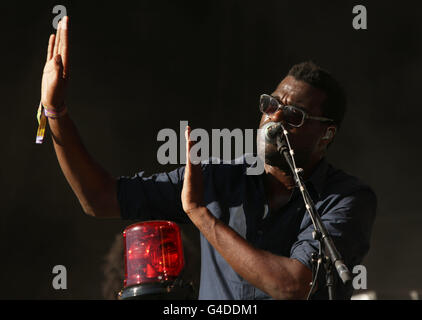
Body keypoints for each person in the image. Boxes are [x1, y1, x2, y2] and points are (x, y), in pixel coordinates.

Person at [40, 16, 377, 300]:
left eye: (293, 115)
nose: (274, 118)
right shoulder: (219, 177)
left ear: (327, 135)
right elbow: (98, 198)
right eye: (270, 105)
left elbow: (291, 286)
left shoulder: (347, 199)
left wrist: (201, 216)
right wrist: (55, 111)